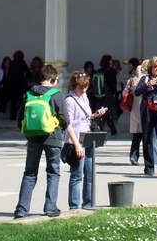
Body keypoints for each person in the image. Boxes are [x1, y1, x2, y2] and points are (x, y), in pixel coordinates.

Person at [13, 63, 69, 218]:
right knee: (53, 172)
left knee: (29, 173)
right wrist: (61, 129)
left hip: (33, 139)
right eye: (56, 79)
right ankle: (50, 208)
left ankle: (22, 210)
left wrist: (29, 132)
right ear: (51, 79)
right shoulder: (56, 95)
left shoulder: (28, 94)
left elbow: (20, 119)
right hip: (53, 137)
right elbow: (65, 118)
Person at [65, 69, 107, 210]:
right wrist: (76, 145)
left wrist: (96, 114)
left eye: (85, 87)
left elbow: (85, 118)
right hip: (77, 140)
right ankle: (74, 206)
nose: (83, 90)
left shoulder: (84, 98)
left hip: (88, 136)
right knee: (77, 175)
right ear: (73, 86)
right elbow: (67, 124)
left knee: (89, 174)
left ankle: (88, 204)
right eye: (80, 87)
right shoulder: (70, 101)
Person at [126, 60, 145, 166]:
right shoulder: (145, 80)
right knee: (147, 137)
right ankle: (151, 158)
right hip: (144, 109)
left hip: (134, 109)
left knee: (136, 136)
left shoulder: (131, 80)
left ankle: (133, 156)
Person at [5, 51, 29, 121]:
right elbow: (27, 73)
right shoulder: (23, 63)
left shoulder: (12, 63)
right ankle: (20, 116)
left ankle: (13, 116)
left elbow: (8, 74)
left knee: (13, 101)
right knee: (21, 101)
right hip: (21, 83)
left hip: (13, 84)